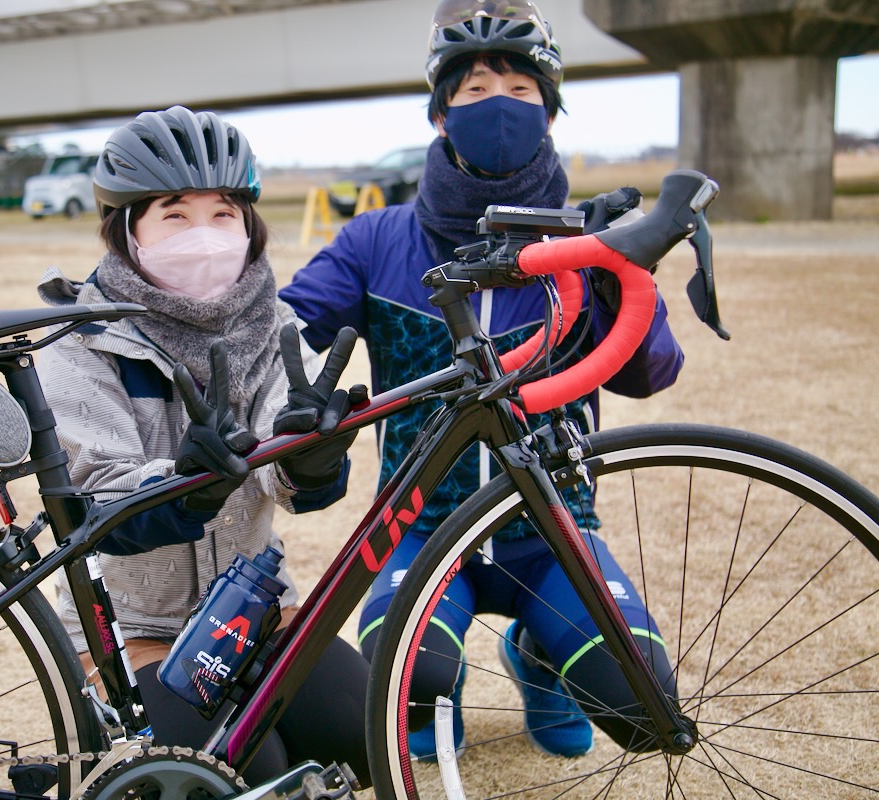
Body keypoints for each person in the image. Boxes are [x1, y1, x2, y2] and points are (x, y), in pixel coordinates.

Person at [279, 0, 681, 760]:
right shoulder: (375, 238)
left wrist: (623, 270)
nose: (499, 105)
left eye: (522, 91)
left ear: (551, 116)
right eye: (472, 91)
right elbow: (289, 332)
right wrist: (300, 403)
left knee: (643, 704)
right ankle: (443, 687)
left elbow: (649, 374)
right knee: (416, 697)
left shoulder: (587, 241)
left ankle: (539, 663)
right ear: (440, 117)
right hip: (418, 526)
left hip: (556, 527)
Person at [35, 106, 370, 786]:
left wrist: (311, 458)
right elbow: (95, 501)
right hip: (133, 631)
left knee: (358, 735)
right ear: (128, 229)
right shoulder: (82, 339)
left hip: (257, 610)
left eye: (223, 214)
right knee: (245, 777)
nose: (205, 236)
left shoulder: (272, 321)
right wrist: (185, 482)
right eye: (175, 215)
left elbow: (286, 450)